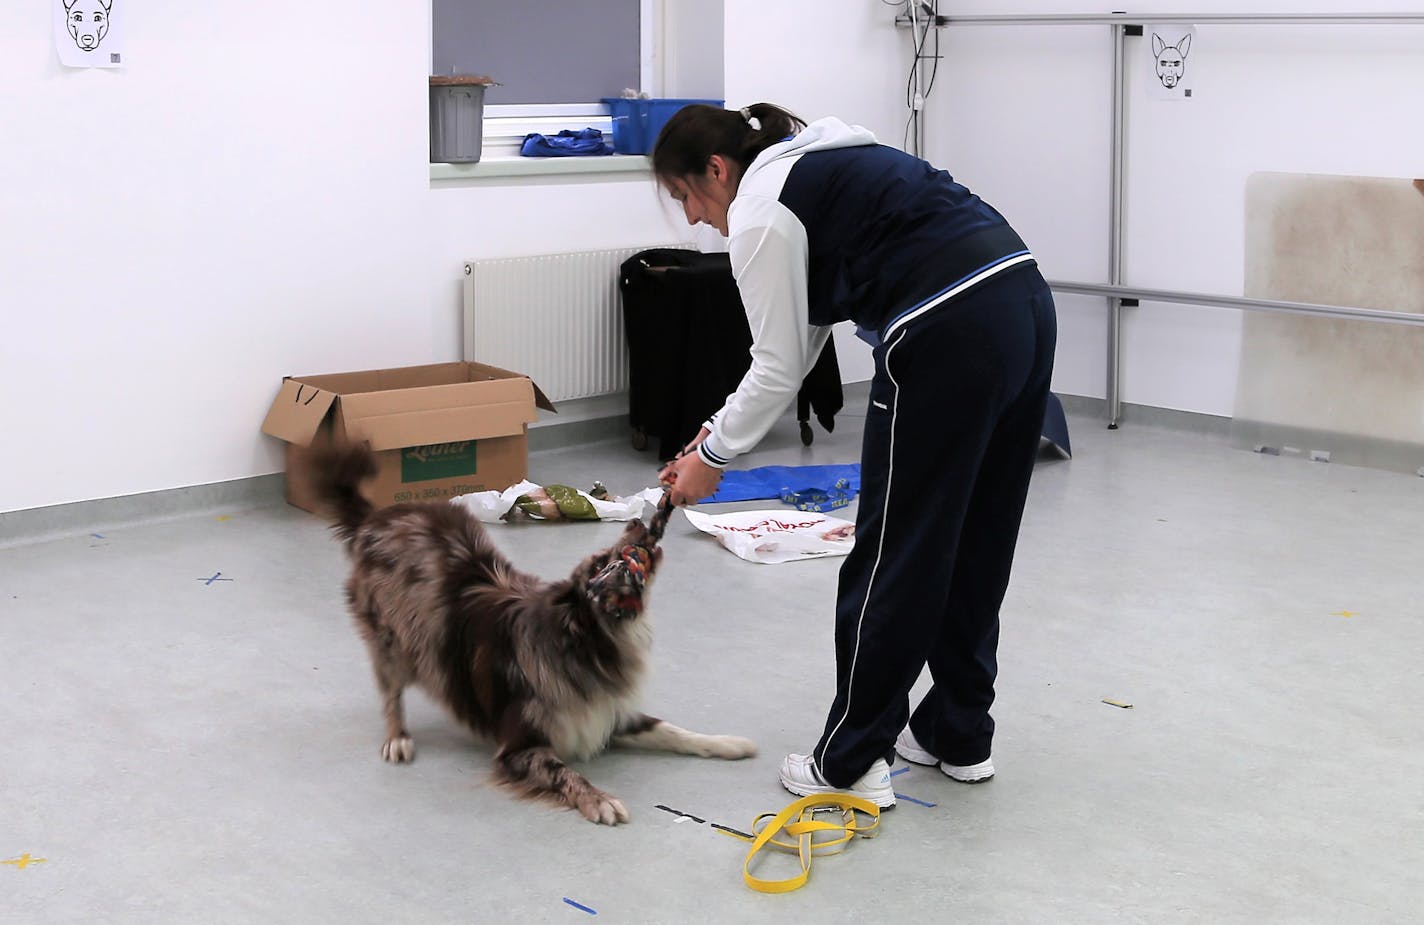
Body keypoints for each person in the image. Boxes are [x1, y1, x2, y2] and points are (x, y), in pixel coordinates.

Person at [653, 103, 1057, 808]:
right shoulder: (820, 157)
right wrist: (715, 433)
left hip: (942, 333)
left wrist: (713, 455)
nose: (692, 216)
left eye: (687, 194)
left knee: (894, 552)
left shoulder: (760, 209)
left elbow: (777, 366)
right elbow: (802, 339)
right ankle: (958, 733)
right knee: (975, 537)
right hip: (1021, 301)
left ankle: (850, 760)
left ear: (717, 169)